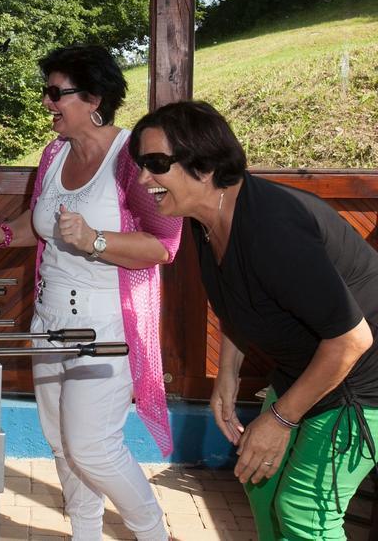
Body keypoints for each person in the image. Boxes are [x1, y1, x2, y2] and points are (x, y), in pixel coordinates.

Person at [130, 100, 378, 539]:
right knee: (260, 485)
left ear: (203, 166)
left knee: (304, 511)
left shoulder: (271, 228)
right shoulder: (205, 221)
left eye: (155, 164)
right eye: (141, 164)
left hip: (363, 381)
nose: (143, 177)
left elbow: (351, 339)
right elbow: (237, 304)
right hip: (307, 367)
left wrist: (279, 420)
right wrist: (226, 377)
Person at [0, 45, 182, 540]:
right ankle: (84, 533)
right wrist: (0, 233)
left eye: (54, 93)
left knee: (92, 446)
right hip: (48, 323)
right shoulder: (53, 154)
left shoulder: (131, 159)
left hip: (107, 326)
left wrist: (97, 240)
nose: (47, 103)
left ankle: (153, 533)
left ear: (92, 98)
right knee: (61, 443)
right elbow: (42, 226)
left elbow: (164, 245)